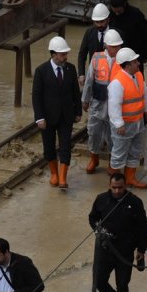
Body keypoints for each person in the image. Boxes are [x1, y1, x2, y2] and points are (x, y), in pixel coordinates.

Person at [88, 173, 147, 292]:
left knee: (122, 285)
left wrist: (141, 249)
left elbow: (143, 228)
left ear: (126, 186)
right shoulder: (101, 199)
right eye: (114, 187)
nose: (117, 191)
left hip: (125, 251)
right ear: (109, 186)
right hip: (105, 249)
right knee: (98, 281)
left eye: (120, 187)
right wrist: (98, 229)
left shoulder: (135, 202)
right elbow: (92, 218)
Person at [32, 36, 82, 189]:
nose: (65, 57)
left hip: (66, 115)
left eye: (66, 53)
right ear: (53, 55)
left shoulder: (71, 69)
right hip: (47, 117)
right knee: (49, 147)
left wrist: (78, 111)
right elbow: (36, 95)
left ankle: (62, 177)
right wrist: (39, 117)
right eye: (62, 54)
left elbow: (75, 92)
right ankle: (54, 173)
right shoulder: (41, 71)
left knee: (65, 145)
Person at [107, 47, 147, 189]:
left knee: (135, 151)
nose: (138, 63)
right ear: (127, 65)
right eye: (135, 61)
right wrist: (119, 124)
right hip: (124, 126)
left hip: (137, 122)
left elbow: (145, 94)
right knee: (119, 154)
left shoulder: (138, 76)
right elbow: (114, 105)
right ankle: (115, 182)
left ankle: (130, 178)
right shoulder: (117, 83)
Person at [82, 29, 123, 173]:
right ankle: (94, 158)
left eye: (119, 46)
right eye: (114, 47)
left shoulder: (123, 60)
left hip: (115, 105)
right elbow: (89, 81)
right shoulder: (97, 58)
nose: (117, 49)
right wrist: (85, 100)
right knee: (93, 132)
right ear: (106, 46)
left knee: (113, 135)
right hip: (98, 103)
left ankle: (113, 161)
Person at [109, 0, 147, 73]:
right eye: (115, 11)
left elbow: (146, 34)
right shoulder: (111, 15)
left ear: (124, 5)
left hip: (134, 54)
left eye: (119, 11)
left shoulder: (136, 14)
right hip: (117, 56)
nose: (117, 14)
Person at [78, 3, 112, 86]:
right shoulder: (89, 32)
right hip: (94, 76)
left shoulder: (116, 33)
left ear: (108, 19)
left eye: (102, 21)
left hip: (111, 76)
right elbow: (82, 54)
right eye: (96, 22)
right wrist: (81, 74)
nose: (99, 25)